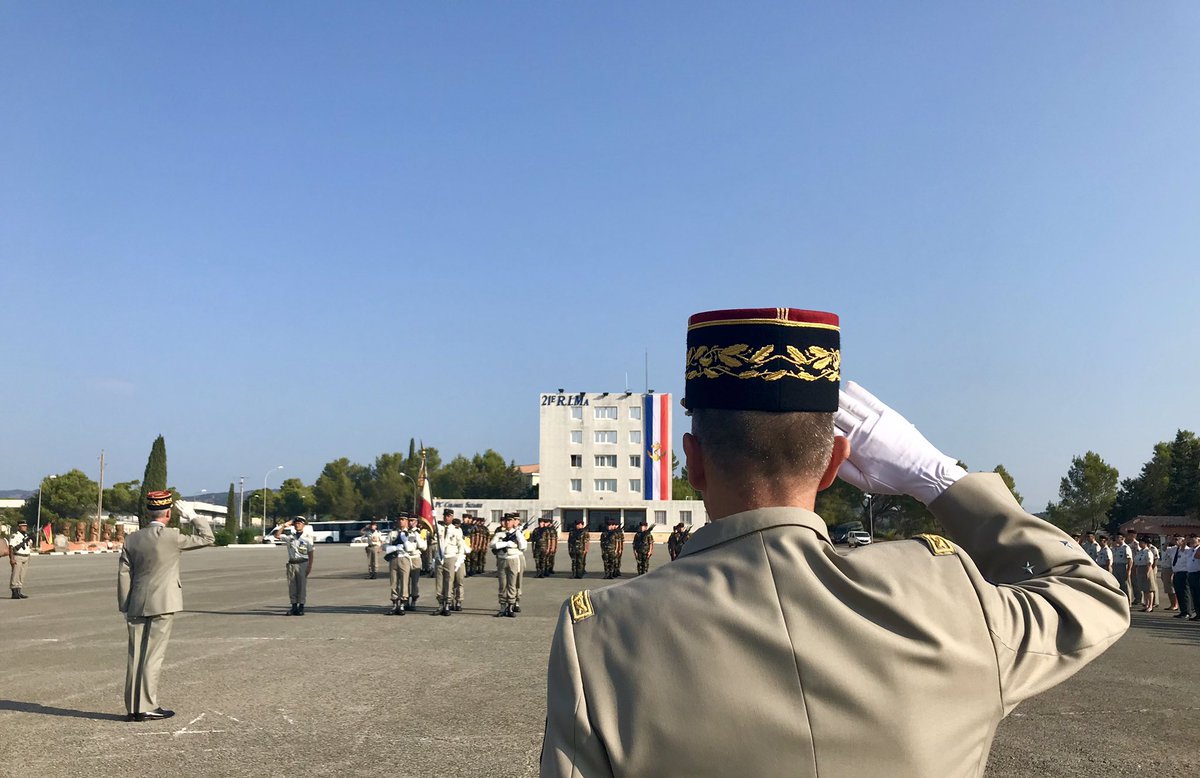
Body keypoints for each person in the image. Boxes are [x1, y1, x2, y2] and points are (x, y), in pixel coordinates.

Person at [540, 306, 1129, 778]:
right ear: (833, 465)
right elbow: (1092, 595)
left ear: (692, 461)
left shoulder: (603, 635)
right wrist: (938, 478)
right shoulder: (946, 598)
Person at [117, 491, 215, 722]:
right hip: (163, 602)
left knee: (135, 656)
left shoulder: (132, 539)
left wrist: (125, 604)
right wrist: (193, 517)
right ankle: (147, 706)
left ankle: (133, 707)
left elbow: (124, 574)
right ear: (168, 513)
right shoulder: (172, 536)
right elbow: (208, 538)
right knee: (153, 656)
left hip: (136, 602)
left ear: (148, 512)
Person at [274, 517, 315, 616]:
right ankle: (294, 606)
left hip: (302, 563)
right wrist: (284, 526)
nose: (297, 525)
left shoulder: (307, 538)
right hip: (292, 563)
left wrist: (310, 566)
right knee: (292, 586)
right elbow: (277, 536)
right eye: (296, 523)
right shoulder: (290, 537)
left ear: (303, 525)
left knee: (301, 585)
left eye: (299, 523)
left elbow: (311, 553)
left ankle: (301, 606)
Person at [492, 514, 528, 617]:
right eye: (506, 520)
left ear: (513, 522)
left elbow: (523, 547)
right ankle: (502, 607)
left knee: (512, 584)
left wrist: (518, 536)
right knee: (502, 585)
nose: (507, 522)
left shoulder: (517, 533)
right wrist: (505, 544)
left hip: (513, 559)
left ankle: (511, 606)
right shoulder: (499, 534)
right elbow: (492, 544)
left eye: (510, 520)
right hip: (502, 560)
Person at [433, 509, 466, 616]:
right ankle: (440, 604)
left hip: (450, 557)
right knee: (439, 582)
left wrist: (459, 559)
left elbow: (461, 546)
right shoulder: (439, 528)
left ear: (452, 517)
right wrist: (432, 516)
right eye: (445, 516)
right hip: (440, 557)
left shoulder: (456, 530)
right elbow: (431, 527)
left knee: (449, 581)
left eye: (448, 516)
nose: (446, 518)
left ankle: (447, 603)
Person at [385, 517, 418, 615]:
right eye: (399, 519)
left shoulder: (410, 534)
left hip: (404, 558)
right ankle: (395, 604)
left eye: (403, 519)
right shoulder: (393, 533)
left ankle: (403, 604)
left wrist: (405, 542)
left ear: (407, 521)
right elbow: (385, 546)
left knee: (404, 582)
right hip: (394, 558)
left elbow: (412, 548)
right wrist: (394, 547)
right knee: (394, 582)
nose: (401, 521)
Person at [1168, 535, 1193, 619]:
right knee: (1179, 593)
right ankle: (1182, 611)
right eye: (1175, 539)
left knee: (1185, 593)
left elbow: (1183, 549)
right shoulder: (1174, 549)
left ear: (1183, 541)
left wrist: (1184, 542)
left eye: (1178, 539)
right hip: (1176, 573)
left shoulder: (1187, 550)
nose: (1176, 541)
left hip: (1184, 573)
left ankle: (1187, 612)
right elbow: (1164, 549)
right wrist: (1168, 540)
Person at [8, 519, 34, 599]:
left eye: (25, 526)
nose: (25, 527)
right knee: (15, 574)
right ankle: (14, 592)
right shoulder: (15, 536)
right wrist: (11, 558)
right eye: (23, 526)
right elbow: (11, 547)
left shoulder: (26, 536)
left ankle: (19, 591)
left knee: (22, 575)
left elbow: (30, 546)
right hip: (18, 556)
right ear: (18, 527)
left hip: (26, 557)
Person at [1133, 536, 1158, 612]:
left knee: (1149, 588)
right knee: (1144, 589)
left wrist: (1147, 572)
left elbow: (1149, 563)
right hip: (1140, 569)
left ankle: (1150, 606)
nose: (1140, 544)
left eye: (1142, 542)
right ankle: (1146, 604)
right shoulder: (1140, 551)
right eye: (1140, 542)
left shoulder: (1148, 552)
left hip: (1146, 569)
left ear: (1145, 543)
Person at [1111, 532, 1135, 605]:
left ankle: (1128, 601)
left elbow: (1130, 560)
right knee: (1117, 584)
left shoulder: (1126, 547)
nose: (1117, 539)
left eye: (1118, 538)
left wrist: (1128, 570)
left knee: (1125, 585)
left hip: (1123, 566)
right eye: (1116, 538)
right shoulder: (1115, 548)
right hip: (1116, 566)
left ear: (1123, 539)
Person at [1186, 534, 1200, 622]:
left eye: (1194, 540)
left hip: (1198, 574)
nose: (1191, 542)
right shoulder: (1191, 550)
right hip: (1191, 574)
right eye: (1191, 540)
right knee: (1194, 595)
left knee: (1198, 595)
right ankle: (1198, 613)